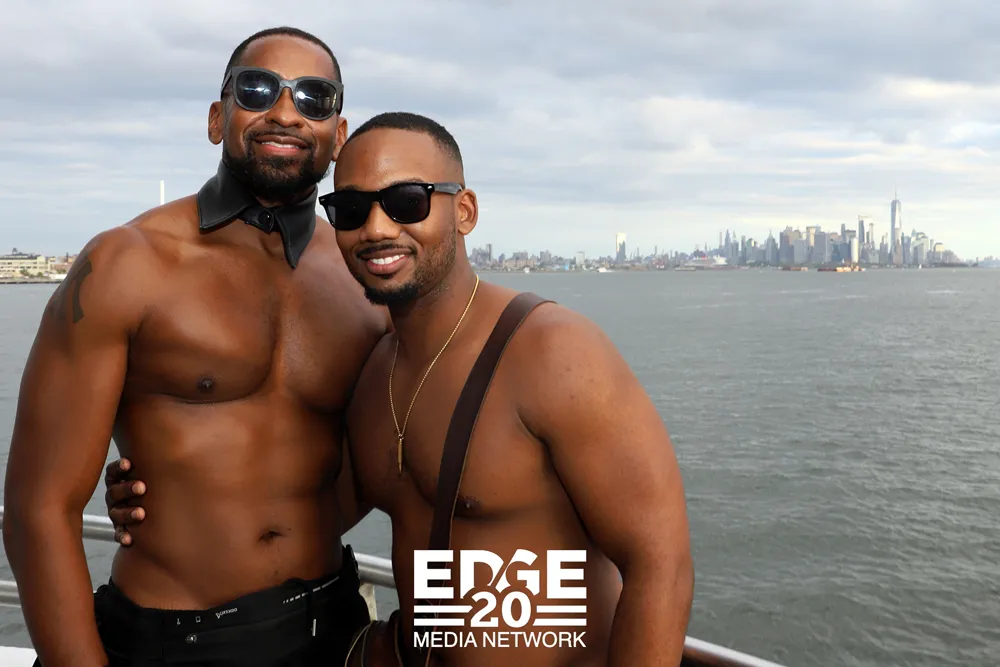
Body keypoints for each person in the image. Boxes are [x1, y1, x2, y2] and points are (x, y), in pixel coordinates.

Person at [107, 111, 695, 666]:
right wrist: (164, 494)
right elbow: (306, 507)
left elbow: (660, 564)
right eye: (351, 209)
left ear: (464, 211)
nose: (377, 229)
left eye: (407, 201)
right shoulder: (374, 373)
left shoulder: (551, 351)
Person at [3, 26, 389, 667]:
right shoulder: (125, 264)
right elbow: (37, 509)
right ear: (217, 118)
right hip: (171, 639)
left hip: (332, 624)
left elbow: (402, 455)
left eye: (314, 98)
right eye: (257, 89)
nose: (286, 112)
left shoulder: (364, 281)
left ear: (339, 134)